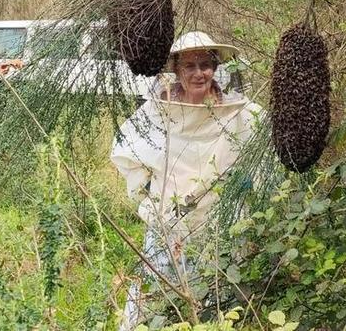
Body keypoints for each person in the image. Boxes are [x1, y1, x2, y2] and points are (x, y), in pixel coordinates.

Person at [110, 31, 262, 329]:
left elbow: (263, 137)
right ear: (177, 70)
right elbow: (127, 149)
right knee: (151, 297)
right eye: (189, 66)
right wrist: (150, 198)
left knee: (216, 302)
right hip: (169, 221)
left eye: (205, 65)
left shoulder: (237, 112)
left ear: (215, 68)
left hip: (218, 224)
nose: (198, 73)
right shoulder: (157, 111)